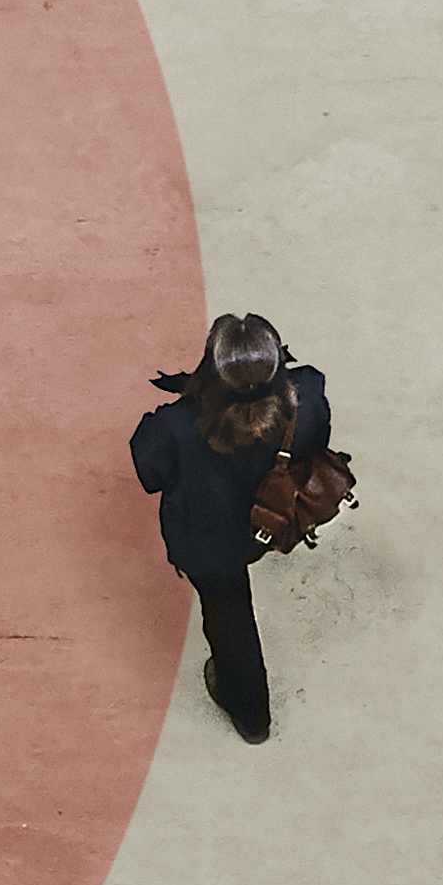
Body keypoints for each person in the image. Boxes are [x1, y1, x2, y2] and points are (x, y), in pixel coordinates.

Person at [133, 313, 327, 746]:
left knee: (229, 615)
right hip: (274, 520)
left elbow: (151, 474)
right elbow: (314, 444)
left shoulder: (174, 426)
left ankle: (251, 715)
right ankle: (251, 717)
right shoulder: (310, 391)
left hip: (209, 541)